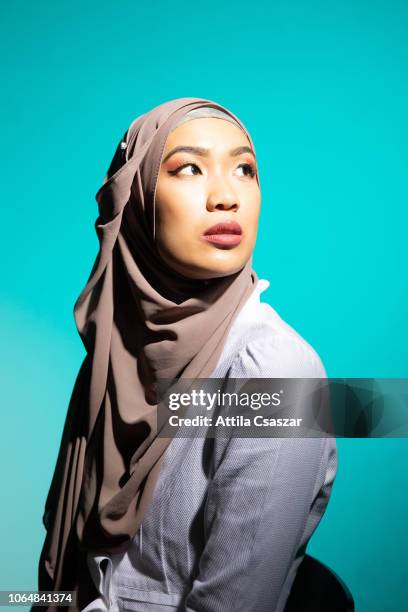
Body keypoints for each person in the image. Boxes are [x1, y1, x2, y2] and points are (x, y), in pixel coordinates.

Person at [34, 97, 337, 612]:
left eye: (245, 169)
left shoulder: (275, 374)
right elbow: (68, 580)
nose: (227, 197)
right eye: (189, 168)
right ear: (136, 199)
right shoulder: (114, 360)